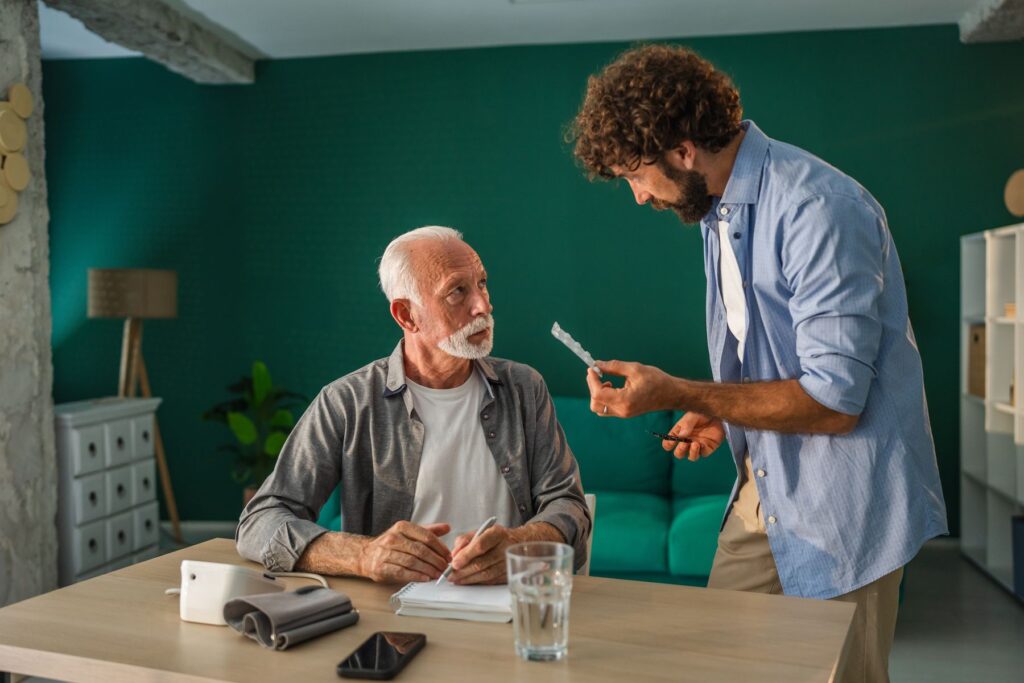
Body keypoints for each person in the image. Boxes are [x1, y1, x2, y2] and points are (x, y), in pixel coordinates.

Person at [568, 44, 946, 683]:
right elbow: (772, 362)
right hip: (763, 490)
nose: (637, 196)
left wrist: (679, 391)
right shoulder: (717, 211)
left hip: (844, 504)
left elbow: (833, 402)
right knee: (721, 664)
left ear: (683, 149)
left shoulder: (817, 209)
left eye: (636, 173)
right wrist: (719, 411)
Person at [236, 226, 590, 585]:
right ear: (406, 315)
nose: (484, 305)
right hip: (393, 620)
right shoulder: (347, 402)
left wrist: (519, 545)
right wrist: (364, 555)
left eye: (482, 283)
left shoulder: (525, 388)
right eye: (457, 291)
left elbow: (569, 504)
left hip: (510, 609)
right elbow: (260, 521)